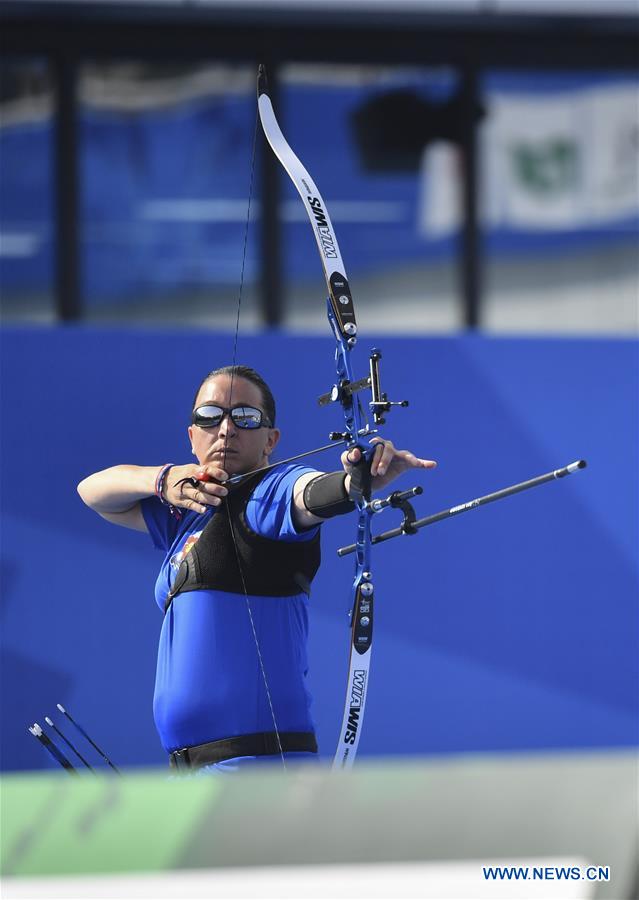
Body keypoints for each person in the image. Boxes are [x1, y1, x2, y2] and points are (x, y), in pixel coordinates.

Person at [77, 365, 436, 774]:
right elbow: (92, 492)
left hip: (256, 767)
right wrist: (163, 479)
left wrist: (354, 483)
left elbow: (309, 494)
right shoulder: (186, 514)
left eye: (245, 417)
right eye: (209, 417)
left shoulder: (270, 492)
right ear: (192, 436)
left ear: (271, 440)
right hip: (195, 771)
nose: (226, 429)